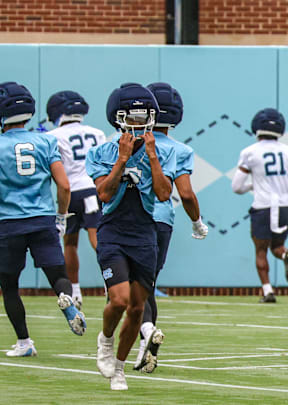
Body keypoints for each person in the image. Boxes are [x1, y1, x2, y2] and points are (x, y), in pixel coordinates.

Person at [86, 83, 176, 390]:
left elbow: (164, 194)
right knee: (120, 299)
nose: (138, 124)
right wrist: (122, 160)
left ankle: (120, 368)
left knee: (138, 307)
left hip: (144, 233)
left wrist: (152, 157)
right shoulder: (101, 152)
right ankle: (106, 339)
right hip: (112, 231)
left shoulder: (163, 151)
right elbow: (103, 192)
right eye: (132, 117)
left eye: (144, 117)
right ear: (118, 118)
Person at [0, 81, 86, 357]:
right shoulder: (47, 139)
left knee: (10, 286)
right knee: (58, 275)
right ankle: (66, 298)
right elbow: (63, 185)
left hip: (8, 221)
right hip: (43, 219)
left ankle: (24, 342)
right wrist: (61, 217)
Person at [132, 82, 208, 373]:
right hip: (162, 221)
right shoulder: (180, 149)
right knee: (147, 285)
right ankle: (146, 339)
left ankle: (146, 331)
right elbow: (186, 194)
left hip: (130, 220)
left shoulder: (124, 140)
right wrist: (197, 222)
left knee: (127, 288)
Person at [232, 107, 288, 303]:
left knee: (261, 250)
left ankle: (267, 290)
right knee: (277, 246)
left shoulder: (250, 152)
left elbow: (236, 186)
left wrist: (252, 185)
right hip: (284, 206)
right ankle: (286, 254)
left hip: (262, 206)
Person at [46, 90, 106, 310]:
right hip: (92, 188)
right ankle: (113, 279)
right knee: (98, 237)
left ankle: (76, 291)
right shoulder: (97, 133)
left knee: (69, 243)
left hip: (70, 191)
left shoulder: (52, 136)